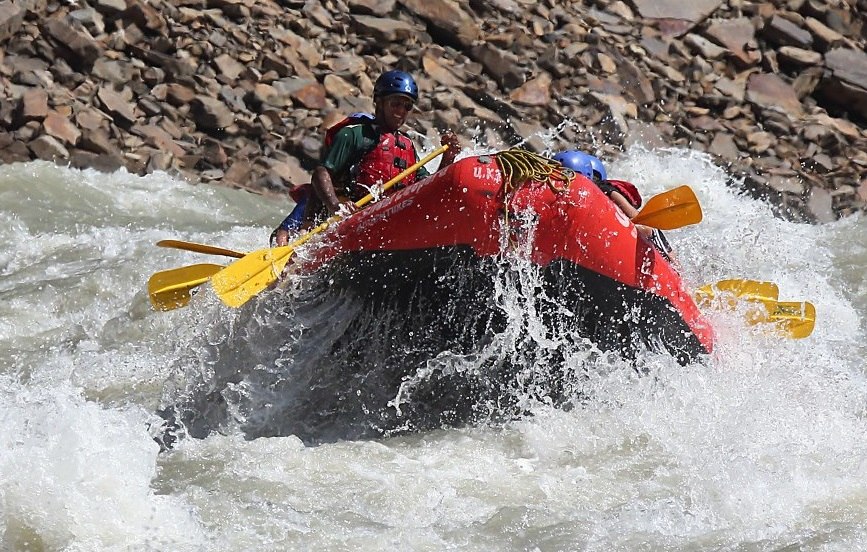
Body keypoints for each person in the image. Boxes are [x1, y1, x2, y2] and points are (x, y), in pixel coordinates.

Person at [272, 70, 461, 246]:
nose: (401, 111)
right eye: (395, 103)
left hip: (383, 224)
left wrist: (447, 158)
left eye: (407, 106)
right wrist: (336, 207)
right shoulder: (355, 134)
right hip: (342, 213)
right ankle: (285, 237)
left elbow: (426, 187)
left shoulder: (407, 146)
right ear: (379, 102)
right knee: (286, 233)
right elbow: (321, 174)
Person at [552, 150, 674, 261]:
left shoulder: (605, 189)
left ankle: (674, 265)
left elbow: (636, 217)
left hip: (638, 231)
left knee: (645, 229)